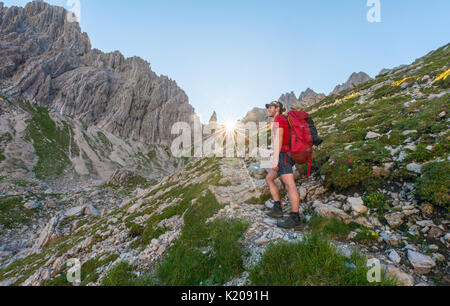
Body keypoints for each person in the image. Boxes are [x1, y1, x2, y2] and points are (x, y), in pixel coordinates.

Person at [265, 101, 302, 229]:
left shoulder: (279, 118)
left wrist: (275, 159)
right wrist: (274, 154)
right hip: (284, 154)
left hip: (284, 156)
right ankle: (277, 208)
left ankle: (295, 217)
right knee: (269, 178)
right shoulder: (281, 119)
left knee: (289, 185)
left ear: (277, 108)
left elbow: (279, 138)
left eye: (270, 106)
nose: (268, 109)